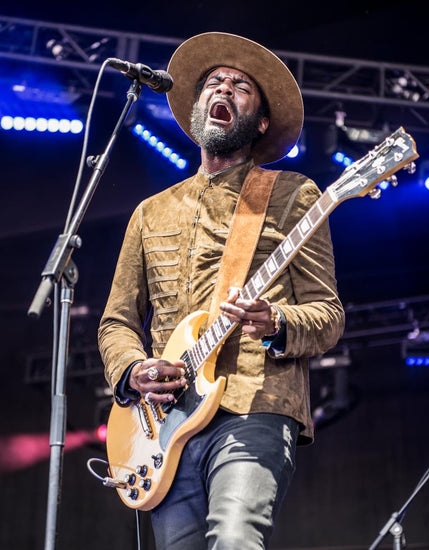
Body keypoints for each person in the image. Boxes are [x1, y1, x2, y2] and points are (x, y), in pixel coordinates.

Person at [98, 31, 345, 550]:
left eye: (240, 87)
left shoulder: (293, 195)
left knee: (235, 540)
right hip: (164, 424)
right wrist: (134, 370)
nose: (223, 90)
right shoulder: (151, 212)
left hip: (255, 404)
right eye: (214, 82)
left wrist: (276, 322)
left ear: (259, 122)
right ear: (196, 108)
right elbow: (118, 320)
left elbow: (328, 314)